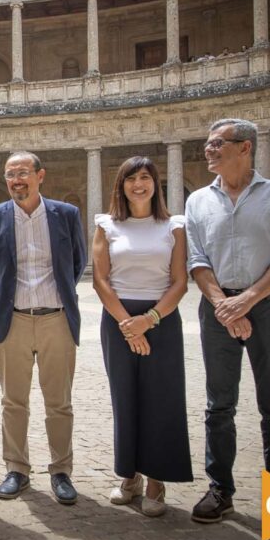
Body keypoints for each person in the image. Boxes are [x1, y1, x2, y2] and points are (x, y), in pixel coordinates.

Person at [186, 119, 270, 540]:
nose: (208, 150)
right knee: (218, 406)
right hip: (218, 307)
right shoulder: (198, 201)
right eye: (207, 144)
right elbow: (196, 260)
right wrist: (226, 304)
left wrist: (248, 300)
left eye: (216, 144)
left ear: (245, 148)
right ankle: (220, 490)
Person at [0, 151, 86, 505]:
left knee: (60, 403)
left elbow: (77, 262)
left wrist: (55, 296)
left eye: (23, 172)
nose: (16, 180)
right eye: (10, 174)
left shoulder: (66, 214)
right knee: (13, 401)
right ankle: (17, 469)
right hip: (14, 319)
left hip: (56, 317)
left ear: (41, 175)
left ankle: (61, 470)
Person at [92, 157, 191, 517]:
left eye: (145, 177)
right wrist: (126, 323)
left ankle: (156, 481)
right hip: (118, 319)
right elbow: (100, 280)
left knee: (161, 401)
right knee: (125, 398)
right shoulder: (106, 224)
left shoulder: (174, 225)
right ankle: (129, 477)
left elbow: (180, 281)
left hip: (161, 317)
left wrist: (147, 320)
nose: (138, 184)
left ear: (156, 183)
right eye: (131, 178)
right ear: (120, 185)